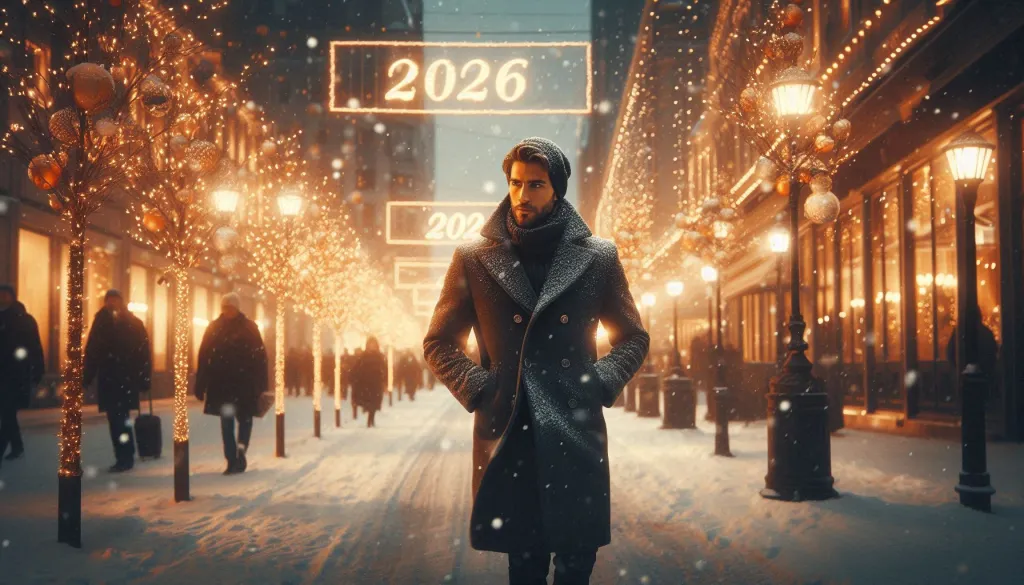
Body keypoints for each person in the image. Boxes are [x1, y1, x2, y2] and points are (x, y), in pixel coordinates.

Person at [424, 138, 650, 585]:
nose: (522, 195)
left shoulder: (598, 256)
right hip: (512, 429)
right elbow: (439, 342)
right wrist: (482, 388)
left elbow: (633, 338)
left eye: (536, 185)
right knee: (524, 566)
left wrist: (597, 382)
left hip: (575, 430)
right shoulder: (474, 258)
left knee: (576, 564)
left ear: (556, 189)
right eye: (516, 183)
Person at [194, 293, 267, 475]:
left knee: (244, 421)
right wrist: (200, 383)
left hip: (244, 386)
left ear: (237, 308)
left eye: (230, 308)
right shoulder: (215, 328)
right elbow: (204, 356)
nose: (227, 311)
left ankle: (240, 453)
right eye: (225, 308)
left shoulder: (248, 328)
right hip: (224, 386)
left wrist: (261, 384)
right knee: (227, 424)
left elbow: (260, 357)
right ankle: (231, 459)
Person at [83, 289, 152, 473]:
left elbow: (143, 353)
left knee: (120, 418)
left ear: (122, 302)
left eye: (115, 300)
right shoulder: (101, 322)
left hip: (125, 378)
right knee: (115, 419)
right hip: (109, 378)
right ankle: (123, 455)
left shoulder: (133, 323)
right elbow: (92, 351)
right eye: (109, 300)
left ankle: (125, 456)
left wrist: (144, 378)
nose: (112, 303)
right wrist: (86, 376)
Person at [0, 284, 45, 469]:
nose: (3, 298)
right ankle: (17, 446)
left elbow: (35, 346)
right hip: (5, 373)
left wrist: (37, 371)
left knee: (7, 411)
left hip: (15, 374)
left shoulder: (24, 320)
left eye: (5, 295)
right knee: (7, 413)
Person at [351, 337, 386, 428]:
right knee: (369, 402)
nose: (372, 346)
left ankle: (371, 419)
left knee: (374, 402)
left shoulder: (379, 356)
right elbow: (357, 368)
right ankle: (370, 419)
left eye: (373, 344)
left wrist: (384, 379)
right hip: (366, 384)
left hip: (376, 383)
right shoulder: (363, 356)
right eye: (370, 344)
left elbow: (384, 368)